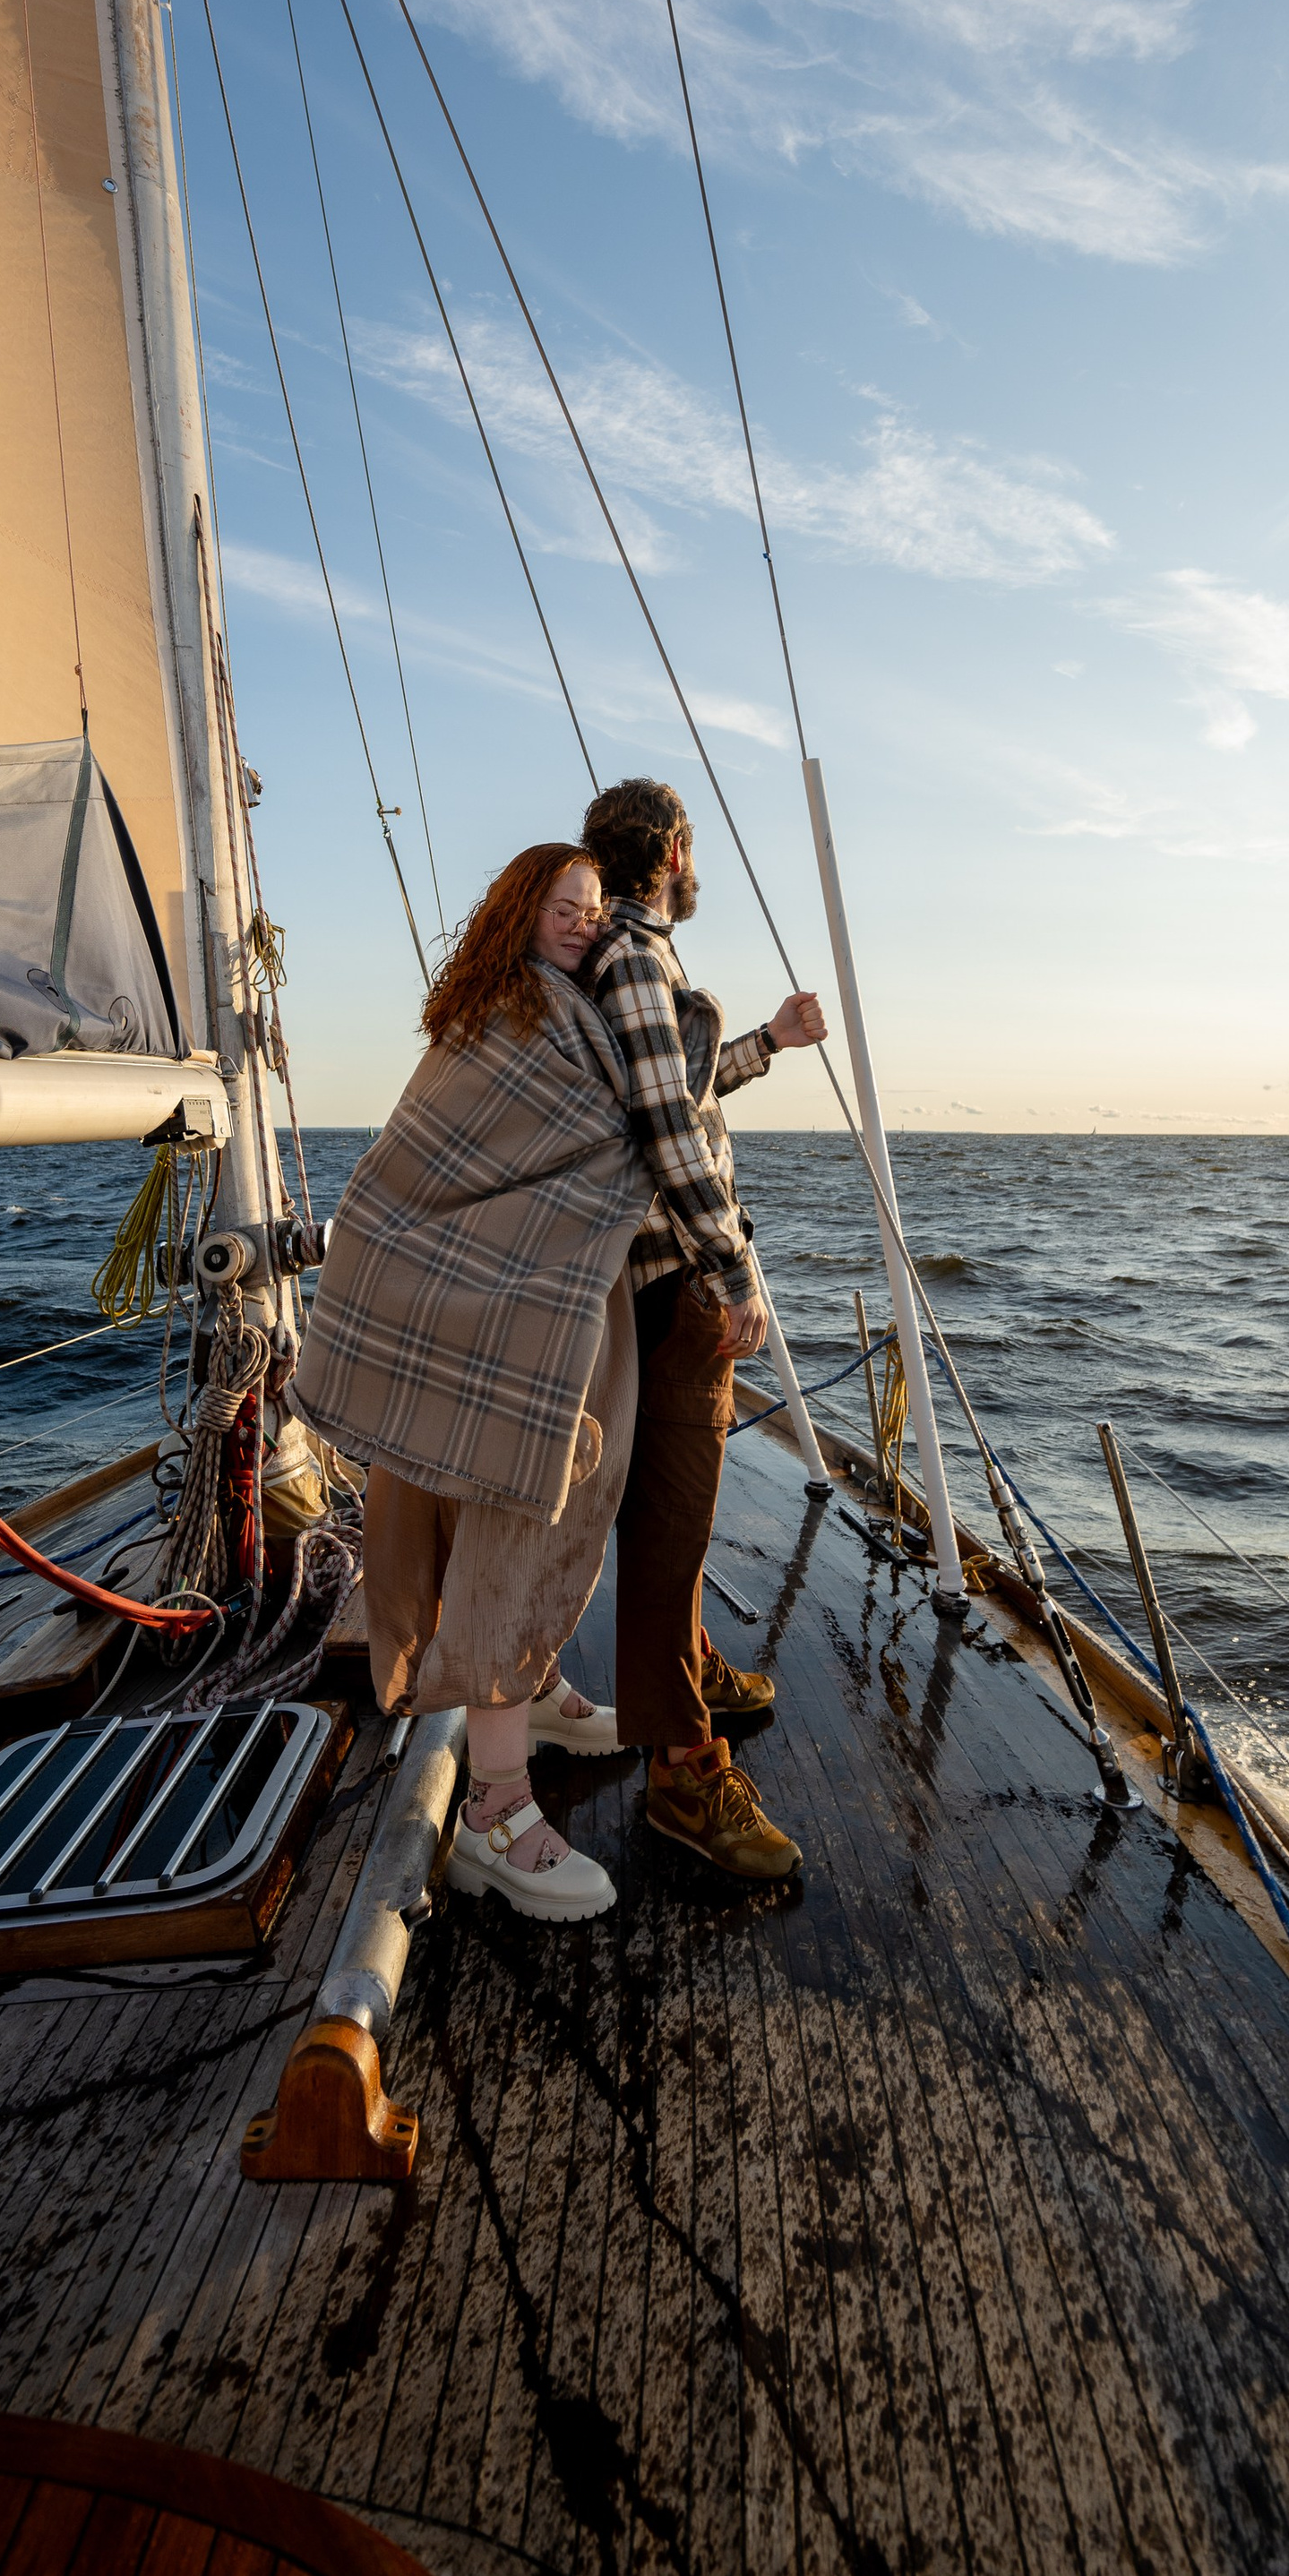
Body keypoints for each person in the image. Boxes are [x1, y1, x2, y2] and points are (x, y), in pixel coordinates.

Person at [288, 844, 652, 1922]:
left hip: (546, 1312)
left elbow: (622, 1124)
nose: (583, 924)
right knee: (510, 1528)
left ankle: (532, 1691)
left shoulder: (565, 1016)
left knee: (550, 1511)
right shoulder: (500, 1021)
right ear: (517, 912)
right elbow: (417, 1171)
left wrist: (762, 1044)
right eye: (563, 907)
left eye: (593, 910)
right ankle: (495, 1811)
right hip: (502, 1329)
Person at [580, 777, 828, 1883]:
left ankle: (688, 1659)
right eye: (694, 851)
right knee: (673, 1514)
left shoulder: (636, 962)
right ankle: (683, 1769)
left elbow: (672, 1085)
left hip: (656, 1271)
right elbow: (667, 1127)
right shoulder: (637, 956)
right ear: (673, 849)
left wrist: (766, 1041)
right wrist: (729, 1272)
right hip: (669, 1275)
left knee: (676, 1511)